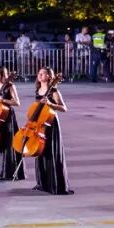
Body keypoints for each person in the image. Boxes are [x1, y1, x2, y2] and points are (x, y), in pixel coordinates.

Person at [32, 67, 73, 195]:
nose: (39, 75)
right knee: (40, 151)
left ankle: (55, 184)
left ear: (49, 76)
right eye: (39, 73)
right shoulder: (38, 90)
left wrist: (50, 104)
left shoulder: (54, 91)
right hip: (39, 124)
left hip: (50, 124)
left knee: (51, 152)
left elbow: (64, 108)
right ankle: (43, 183)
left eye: (43, 73)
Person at [0, 65, 24, 181]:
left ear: (3, 74)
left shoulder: (10, 86)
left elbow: (17, 102)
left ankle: (8, 171)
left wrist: (3, 100)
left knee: (7, 142)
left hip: (6, 117)